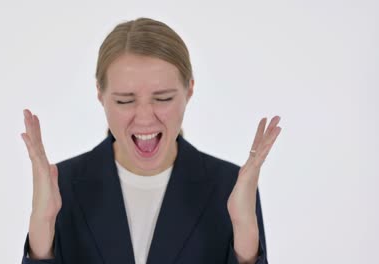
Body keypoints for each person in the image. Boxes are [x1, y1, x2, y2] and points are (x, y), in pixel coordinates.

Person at [20, 17, 281, 264]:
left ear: (189, 90)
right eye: (125, 100)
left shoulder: (230, 187)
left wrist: (245, 238)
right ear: (100, 95)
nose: (145, 118)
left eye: (163, 98)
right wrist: (42, 228)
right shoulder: (62, 186)